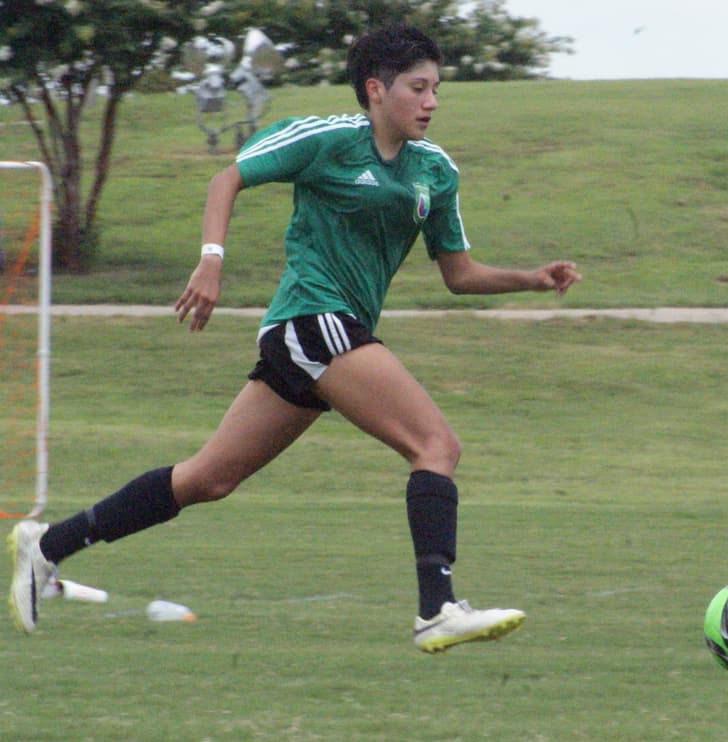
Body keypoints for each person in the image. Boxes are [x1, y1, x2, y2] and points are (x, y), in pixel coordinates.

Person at [6, 23, 581, 654]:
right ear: (375, 89)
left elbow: (458, 274)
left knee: (206, 480)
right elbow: (227, 179)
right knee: (436, 445)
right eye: (418, 88)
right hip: (312, 319)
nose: (431, 102)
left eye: (436, 89)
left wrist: (531, 278)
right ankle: (436, 609)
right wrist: (211, 259)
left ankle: (48, 545)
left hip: (325, 337)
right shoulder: (328, 139)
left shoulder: (435, 173)